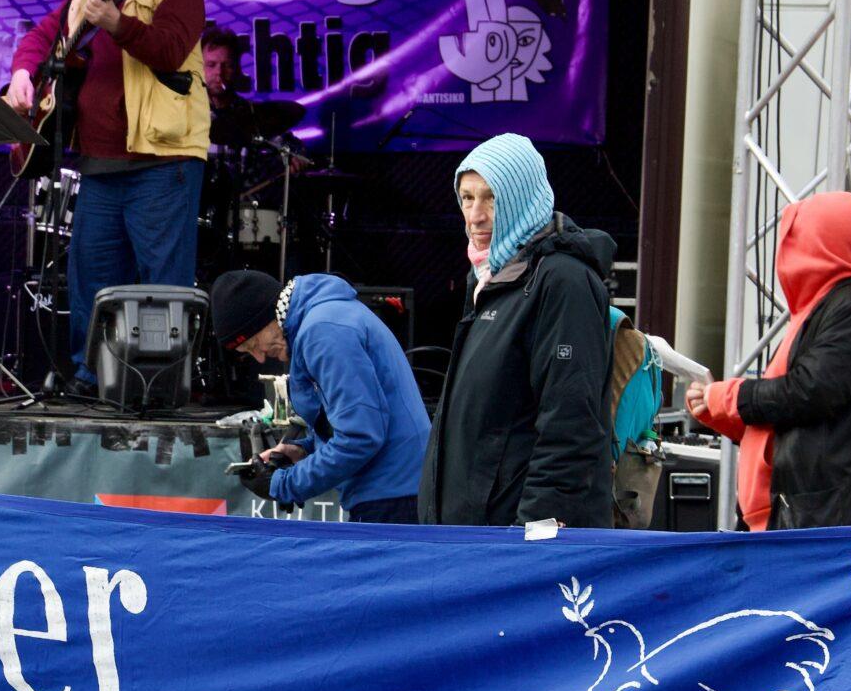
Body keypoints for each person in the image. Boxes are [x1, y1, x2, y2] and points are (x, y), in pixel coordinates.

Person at [5, 0, 209, 385]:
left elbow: (168, 49)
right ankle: (91, 376)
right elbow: (40, 37)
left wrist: (116, 22)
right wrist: (21, 73)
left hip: (161, 162)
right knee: (91, 280)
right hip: (98, 167)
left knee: (161, 285)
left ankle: (158, 385)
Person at [419, 132, 615, 528]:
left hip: (516, 544)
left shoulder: (563, 281)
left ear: (523, 198)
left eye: (492, 197)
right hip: (475, 538)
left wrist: (535, 537)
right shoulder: (488, 278)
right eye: (467, 197)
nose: (475, 215)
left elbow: (570, 425)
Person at [685, 190, 851, 529]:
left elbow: (809, 391)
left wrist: (731, 397)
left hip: (829, 520)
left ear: (820, 242)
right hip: (806, 514)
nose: (786, 250)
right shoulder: (819, 311)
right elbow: (785, 420)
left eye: (796, 237)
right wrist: (720, 412)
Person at [212, 269, 428, 523]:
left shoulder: (322, 331)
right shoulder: (324, 318)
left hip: (392, 496)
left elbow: (359, 437)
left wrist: (283, 484)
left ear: (267, 319)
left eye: (253, 344)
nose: (259, 357)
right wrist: (302, 450)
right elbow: (354, 421)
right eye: (247, 353)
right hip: (396, 488)